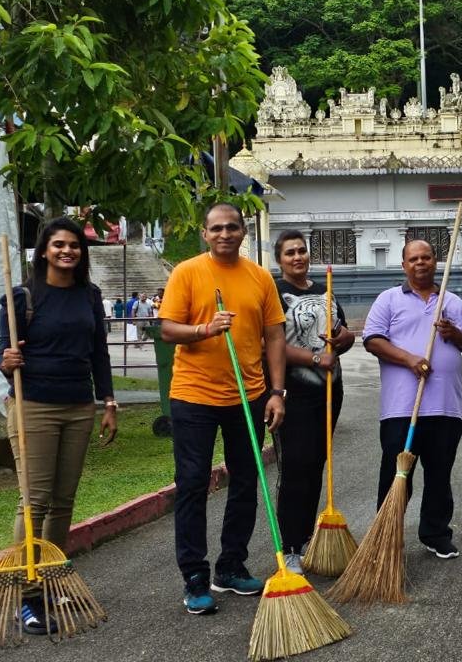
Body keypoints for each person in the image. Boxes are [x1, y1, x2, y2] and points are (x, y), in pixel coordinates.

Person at [158, 202, 288, 615]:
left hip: (247, 395)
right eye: (217, 229)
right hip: (194, 396)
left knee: (247, 480)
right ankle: (194, 576)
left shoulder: (260, 277)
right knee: (193, 482)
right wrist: (205, 329)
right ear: (205, 232)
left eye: (232, 227)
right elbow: (166, 329)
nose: (225, 234)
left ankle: (230, 566)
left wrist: (277, 392)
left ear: (244, 231)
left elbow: (274, 337)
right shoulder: (187, 272)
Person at [0, 217, 118, 635]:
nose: (67, 251)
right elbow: (4, 355)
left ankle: (49, 582)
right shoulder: (22, 296)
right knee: (34, 503)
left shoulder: (89, 296)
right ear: (44, 250)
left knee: (63, 502)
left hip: (78, 405)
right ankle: (25, 597)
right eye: (59, 244)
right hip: (34, 406)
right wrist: (6, 361)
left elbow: (99, 353)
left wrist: (108, 401)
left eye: (74, 245)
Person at [362, 239, 462, 559]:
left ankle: (435, 533)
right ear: (404, 265)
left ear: (436, 261)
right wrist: (409, 359)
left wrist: (456, 335)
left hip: (446, 406)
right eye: (413, 259)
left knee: (440, 474)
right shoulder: (388, 299)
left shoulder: (451, 301)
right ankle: (386, 535)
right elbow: (372, 340)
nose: (421, 263)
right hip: (401, 407)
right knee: (397, 474)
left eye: (426, 257)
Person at [272, 229, 356, 574]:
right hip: (294, 393)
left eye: (302, 251)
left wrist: (342, 338)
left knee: (315, 467)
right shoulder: (275, 294)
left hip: (329, 393)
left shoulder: (326, 291)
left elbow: (344, 336)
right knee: (294, 469)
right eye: (290, 252)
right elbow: (272, 346)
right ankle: (289, 545)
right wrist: (312, 358)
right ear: (279, 260)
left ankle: (306, 538)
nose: (297, 257)